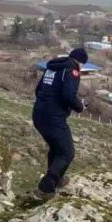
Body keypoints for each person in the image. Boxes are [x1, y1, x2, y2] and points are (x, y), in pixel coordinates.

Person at [32, 47, 88, 199]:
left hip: (38, 114)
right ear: (80, 62)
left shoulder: (52, 68)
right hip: (53, 118)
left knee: (56, 148)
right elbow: (68, 95)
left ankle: (57, 179)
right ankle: (46, 187)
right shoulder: (72, 69)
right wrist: (80, 107)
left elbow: (38, 90)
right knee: (67, 152)